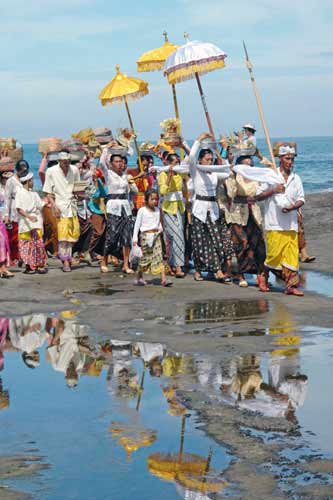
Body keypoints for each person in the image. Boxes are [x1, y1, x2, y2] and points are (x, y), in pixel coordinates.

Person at [252, 145, 305, 296]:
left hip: (291, 223)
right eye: (287, 158)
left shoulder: (296, 178)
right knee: (274, 255)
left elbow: (301, 198)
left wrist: (293, 207)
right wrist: (273, 190)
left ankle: (291, 285)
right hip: (274, 223)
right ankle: (262, 276)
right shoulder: (271, 176)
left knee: (291, 256)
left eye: (292, 159)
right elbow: (257, 196)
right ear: (280, 159)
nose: (290, 162)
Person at [188, 133, 232, 282]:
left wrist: (222, 155)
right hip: (199, 208)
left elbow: (227, 172)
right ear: (201, 160)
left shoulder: (214, 174)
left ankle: (217, 270)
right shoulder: (195, 171)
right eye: (206, 160)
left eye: (210, 160)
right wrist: (198, 140)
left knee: (215, 240)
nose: (209, 162)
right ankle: (199, 270)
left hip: (213, 209)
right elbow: (191, 157)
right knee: (199, 241)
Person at [225, 155, 268, 290]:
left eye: (250, 165)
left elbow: (262, 189)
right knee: (241, 243)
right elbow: (231, 193)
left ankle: (260, 275)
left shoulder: (255, 177)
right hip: (238, 212)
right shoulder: (234, 177)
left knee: (258, 244)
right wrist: (232, 174)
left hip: (253, 211)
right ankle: (241, 274)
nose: (248, 167)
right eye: (245, 165)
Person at [99, 147, 138, 274]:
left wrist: (131, 183)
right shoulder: (108, 173)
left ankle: (126, 264)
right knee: (112, 235)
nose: (120, 164)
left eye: (121, 161)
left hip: (125, 207)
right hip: (113, 206)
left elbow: (135, 191)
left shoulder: (127, 176)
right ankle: (104, 260)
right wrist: (106, 149)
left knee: (127, 237)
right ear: (111, 163)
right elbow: (101, 163)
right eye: (116, 161)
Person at [43, 152, 80, 272]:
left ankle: (67, 257)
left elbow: (78, 188)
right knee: (63, 235)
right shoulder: (51, 171)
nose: (67, 163)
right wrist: (53, 206)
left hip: (72, 205)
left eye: (68, 161)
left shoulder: (74, 170)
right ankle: (65, 261)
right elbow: (48, 192)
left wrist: (80, 195)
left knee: (73, 234)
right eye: (64, 161)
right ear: (59, 161)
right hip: (59, 205)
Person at [132, 189, 172, 287]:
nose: (155, 201)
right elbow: (137, 224)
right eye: (152, 199)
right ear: (146, 200)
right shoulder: (142, 210)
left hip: (156, 236)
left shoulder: (158, 210)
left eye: (156, 199)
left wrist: (162, 232)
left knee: (159, 257)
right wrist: (135, 238)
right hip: (145, 237)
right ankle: (139, 277)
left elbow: (159, 224)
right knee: (145, 259)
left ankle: (163, 279)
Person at [158, 153, 186, 278]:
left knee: (177, 235)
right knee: (176, 235)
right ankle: (178, 266)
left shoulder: (180, 174)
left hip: (179, 207)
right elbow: (163, 191)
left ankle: (172, 263)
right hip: (168, 208)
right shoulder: (162, 175)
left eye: (178, 162)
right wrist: (169, 176)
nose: (176, 164)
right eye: (174, 162)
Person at [16, 172, 47, 274]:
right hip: (25, 222)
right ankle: (29, 266)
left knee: (38, 244)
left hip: (36, 222)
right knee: (26, 245)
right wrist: (29, 217)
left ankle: (39, 265)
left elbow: (41, 205)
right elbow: (19, 209)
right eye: (32, 180)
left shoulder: (34, 194)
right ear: (28, 181)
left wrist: (50, 199)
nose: (33, 182)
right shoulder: (20, 193)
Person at [5, 160, 29, 263]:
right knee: (14, 236)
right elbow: (7, 198)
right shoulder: (11, 180)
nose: (23, 172)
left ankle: (22, 256)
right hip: (15, 209)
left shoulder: (26, 179)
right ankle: (13, 257)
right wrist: (7, 214)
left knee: (24, 234)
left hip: (25, 208)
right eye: (22, 170)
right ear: (17, 170)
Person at [0, 168, 13, 278]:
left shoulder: (10, 188)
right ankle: (3, 268)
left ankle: (3, 267)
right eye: (5, 174)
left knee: (4, 243)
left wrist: (7, 216)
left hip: (4, 219)